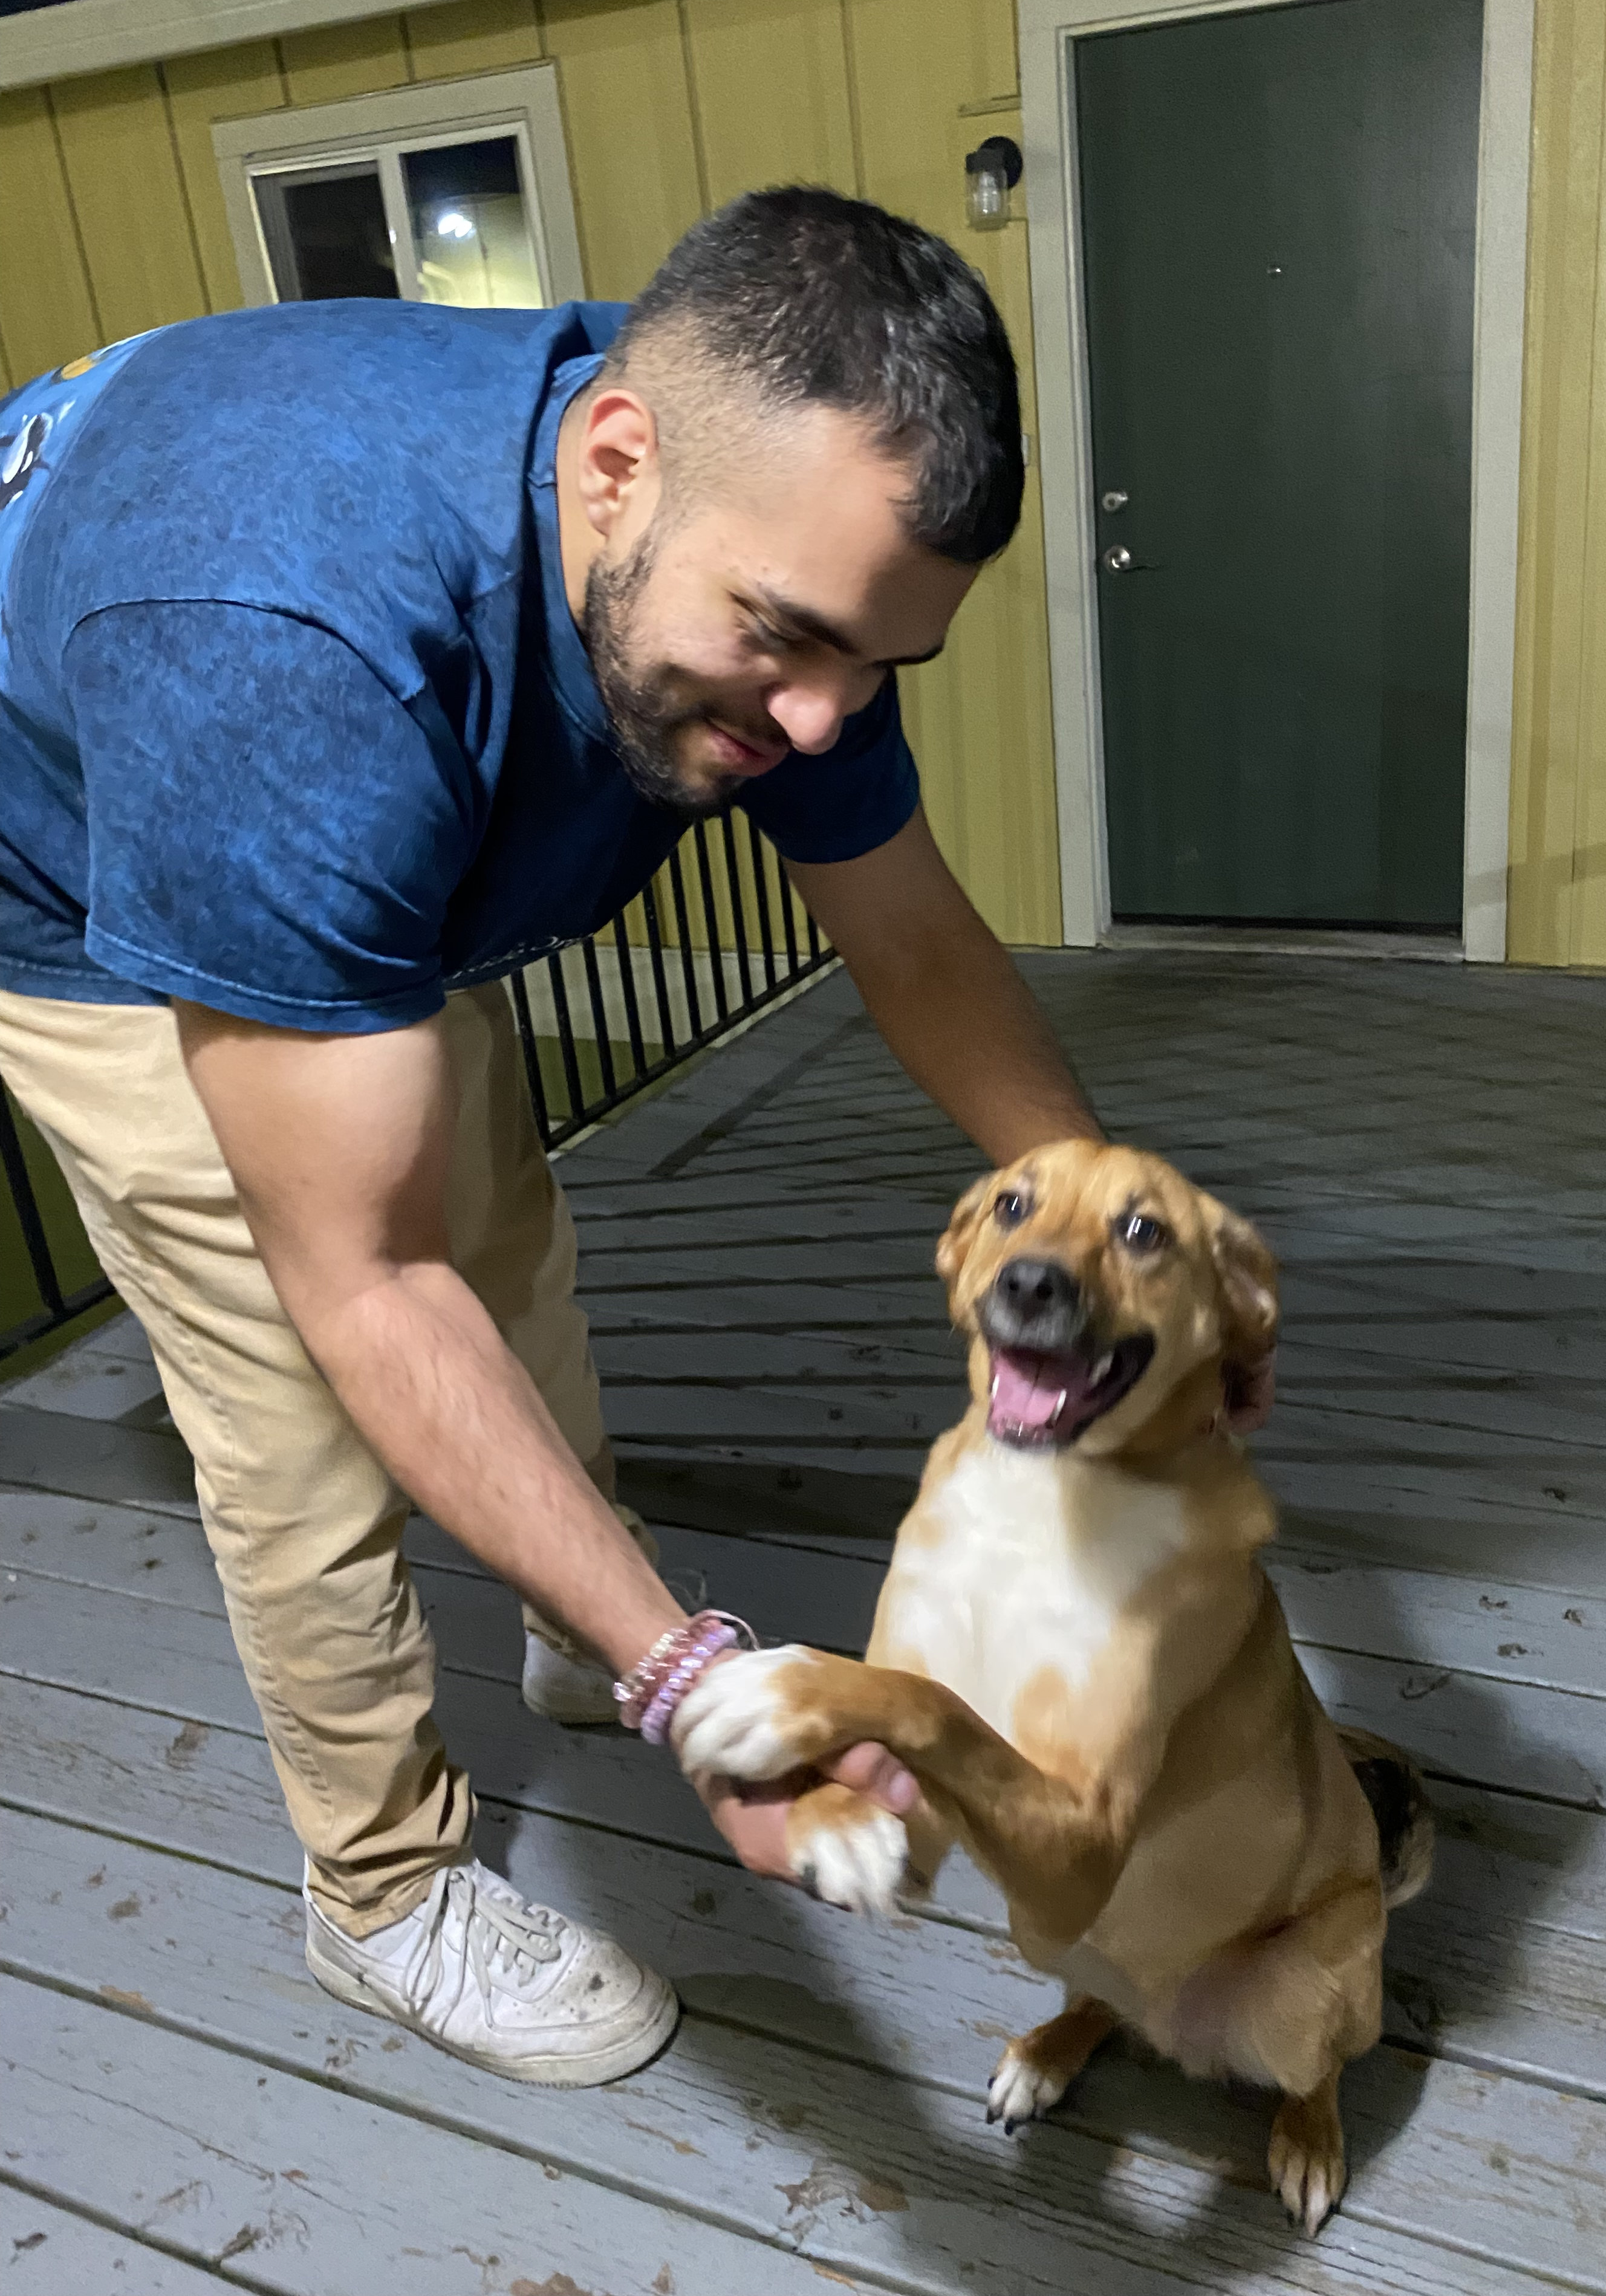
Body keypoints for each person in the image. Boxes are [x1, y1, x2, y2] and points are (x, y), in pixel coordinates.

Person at [0, 186, 1266, 2088]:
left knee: (512, 1243)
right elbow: (365, 1284)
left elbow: (909, 935)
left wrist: (1120, 1261)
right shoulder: (280, 640)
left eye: (881, 665)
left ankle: (586, 1620)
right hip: (101, 887)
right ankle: (383, 1897)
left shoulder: (754, 491)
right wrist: (708, 1695)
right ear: (611, 463)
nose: (830, 712)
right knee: (295, 1401)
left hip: (367, 803)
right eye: (788, 642)